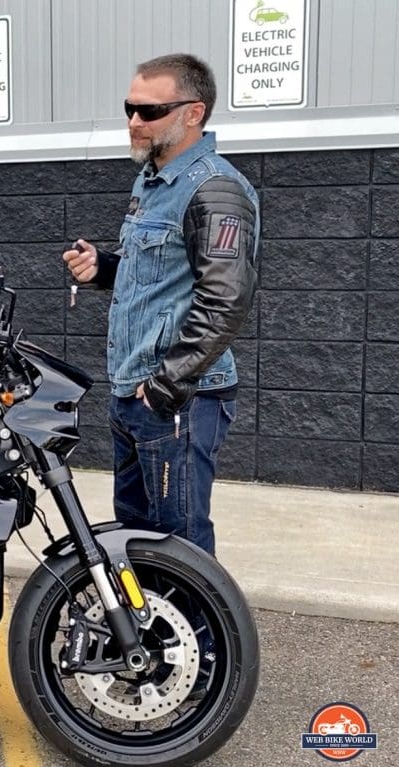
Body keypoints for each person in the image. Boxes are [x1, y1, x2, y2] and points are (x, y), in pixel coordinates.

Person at [62, 54, 258, 556]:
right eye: (129, 108)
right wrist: (103, 268)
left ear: (193, 113)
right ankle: (148, 634)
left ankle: (207, 637)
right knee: (137, 537)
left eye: (149, 112)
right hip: (132, 393)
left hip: (179, 400)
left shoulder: (217, 190)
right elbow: (157, 273)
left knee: (182, 547)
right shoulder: (150, 182)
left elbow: (224, 300)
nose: (133, 121)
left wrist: (166, 385)